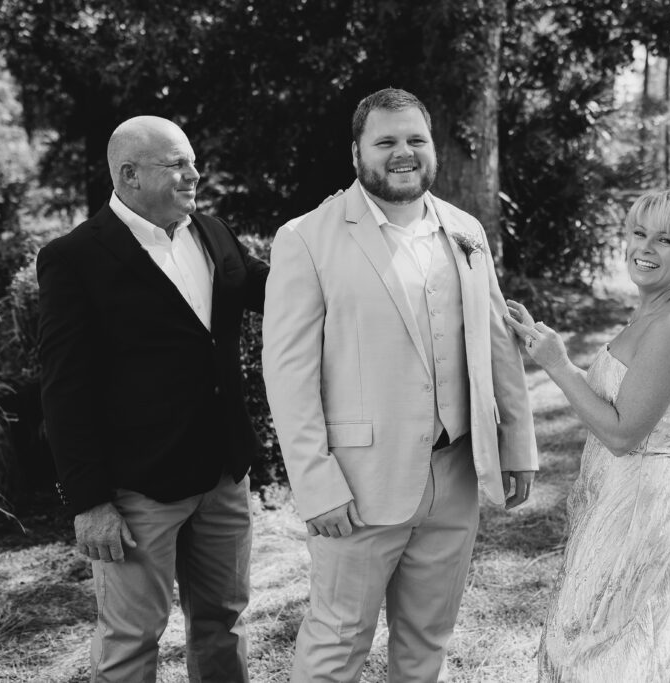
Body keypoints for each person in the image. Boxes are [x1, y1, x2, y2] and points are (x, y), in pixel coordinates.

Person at [262, 88, 539, 682]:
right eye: (386, 141)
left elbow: (496, 344)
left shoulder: (465, 231)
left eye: (415, 139)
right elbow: (288, 374)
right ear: (357, 151)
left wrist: (516, 445)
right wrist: (316, 485)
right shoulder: (306, 238)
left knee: (427, 643)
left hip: (455, 475)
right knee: (337, 644)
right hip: (358, 487)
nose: (403, 153)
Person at [37, 115, 269, 682]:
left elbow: (285, 290)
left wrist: (340, 228)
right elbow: (65, 387)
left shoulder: (212, 232)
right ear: (130, 175)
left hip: (222, 475)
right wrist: (89, 501)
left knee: (223, 621)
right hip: (137, 489)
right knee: (132, 637)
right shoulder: (74, 258)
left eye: (191, 161)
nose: (194, 174)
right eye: (177, 165)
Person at [504, 189, 670, 682]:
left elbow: (622, 433)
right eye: (638, 233)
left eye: (665, 240)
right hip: (615, 495)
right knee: (633, 636)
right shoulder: (655, 307)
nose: (645, 248)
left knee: (591, 648)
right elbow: (617, 401)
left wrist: (558, 364)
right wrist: (540, 343)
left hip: (632, 504)